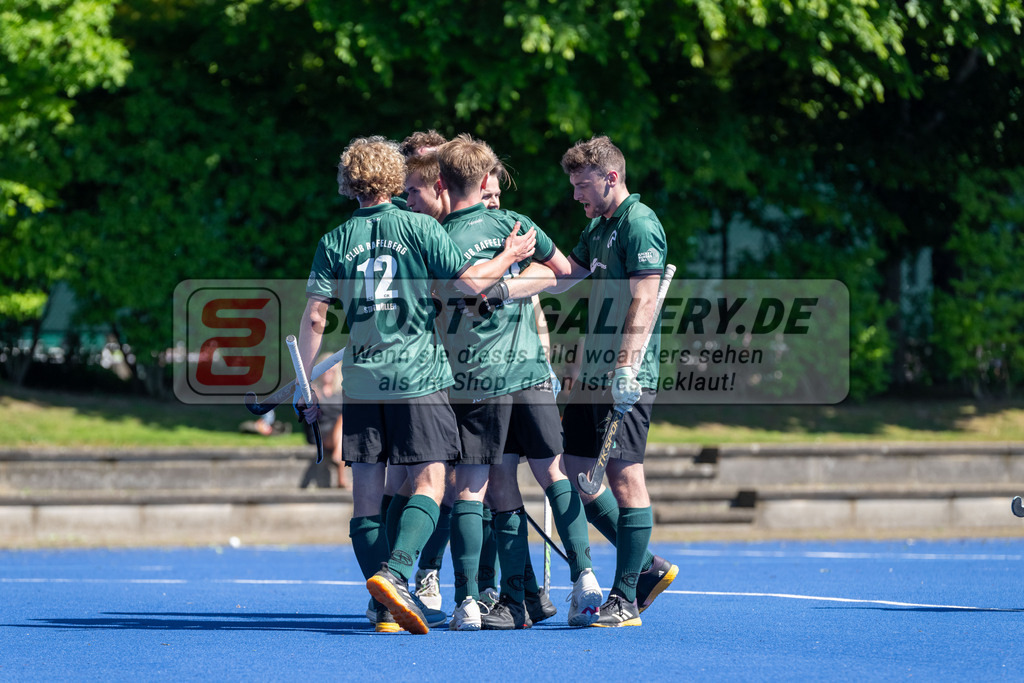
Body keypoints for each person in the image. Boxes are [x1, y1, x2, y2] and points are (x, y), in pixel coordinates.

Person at [293, 135, 537, 635]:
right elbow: (469, 285)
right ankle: (397, 573)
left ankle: (383, 609)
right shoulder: (419, 226)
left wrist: (304, 383)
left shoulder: (334, 240)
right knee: (431, 480)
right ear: (393, 178)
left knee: (366, 499)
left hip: (362, 382)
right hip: (418, 376)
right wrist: (510, 253)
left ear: (348, 183)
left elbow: (315, 318)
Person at [435, 134, 603, 631]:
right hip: (529, 374)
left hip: (477, 379)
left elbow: (463, 289)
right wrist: (519, 266)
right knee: (552, 473)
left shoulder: (438, 236)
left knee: (478, 488)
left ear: (442, 184)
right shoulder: (518, 224)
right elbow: (569, 274)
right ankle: (584, 577)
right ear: (487, 179)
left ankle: (469, 600)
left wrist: (507, 279)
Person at [554, 135, 679, 628]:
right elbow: (569, 275)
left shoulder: (640, 223)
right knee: (577, 472)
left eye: (582, 185)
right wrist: (511, 275)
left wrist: (626, 367)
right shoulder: (600, 225)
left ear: (611, 178)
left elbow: (644, 301)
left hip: (626, 373)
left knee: (625, 477)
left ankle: (625, 598)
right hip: (594, 373)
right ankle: (645, 564)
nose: (576, 196)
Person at [302, 351, 348, 489]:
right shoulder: (312, 391)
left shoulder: (340, 393)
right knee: (343, 419)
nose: (328, 372)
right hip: (319, 434)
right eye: (325, 369)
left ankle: (340, 474)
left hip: (339, 435)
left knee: (344, 421)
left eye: (332, 371)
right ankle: (340, 472)